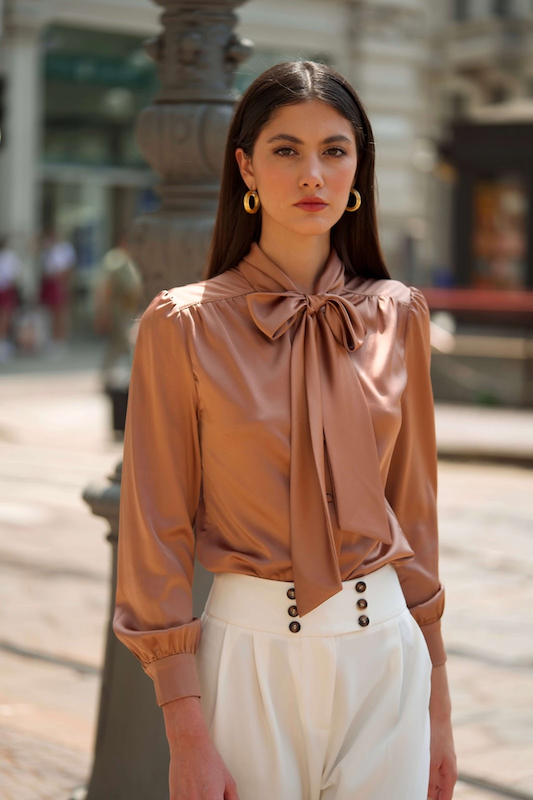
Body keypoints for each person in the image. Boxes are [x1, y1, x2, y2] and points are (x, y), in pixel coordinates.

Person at [113, 60, 457, 800]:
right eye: (285, 149)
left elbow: (416, 515)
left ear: (357, 166)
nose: (313, 173)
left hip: (388, 655)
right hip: (251, 662)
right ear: (244, 165)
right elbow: (156, 530)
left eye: (334, 150)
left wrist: (438, 699)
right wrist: (184, 732)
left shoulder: (399, 314)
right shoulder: (182, 324)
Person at [38, 229, 76, 348]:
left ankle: (61, 339)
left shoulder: (66, 248)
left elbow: (69, 268)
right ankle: (54, 338)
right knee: (52, 312)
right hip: (50, 283)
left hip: (59, 283)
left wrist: (64, 282)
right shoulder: (49, 249)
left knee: (60, 312)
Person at [0, 236, 21, 363]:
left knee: (6, 316)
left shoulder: (10, 255)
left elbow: (15, 275)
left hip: (6, 290)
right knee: (4, 317)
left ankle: (3, 343)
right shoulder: (9, 256)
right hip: (5, 289)